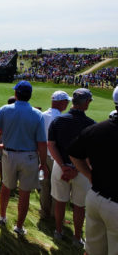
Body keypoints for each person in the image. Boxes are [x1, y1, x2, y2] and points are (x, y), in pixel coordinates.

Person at [0, 81, 48, 236]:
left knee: (6, 187)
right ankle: (19, 226)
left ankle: (2, 217)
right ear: (30, 95)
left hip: (9, 155)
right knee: (24, 193)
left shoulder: (5, 109)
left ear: (16, 94)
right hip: (30, 157)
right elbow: (42, 143)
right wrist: (43, 163)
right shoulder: (37, 114)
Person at [68, 86, 118, 255]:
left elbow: (74, 154)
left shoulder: (95, 129)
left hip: (95, 198)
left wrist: (89, 175)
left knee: (92, 250)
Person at [48, 88, 95, 246]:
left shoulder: (58, 120)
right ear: (86, 103)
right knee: (79, 205)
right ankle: (76, 237)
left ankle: (58, 232)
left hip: (60, 167)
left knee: (60, 201)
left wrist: (64, 166)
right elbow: (89, 154)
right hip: (81, 170)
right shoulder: (90, 124)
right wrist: (76, 169)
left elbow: (51, 145)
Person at [39, 91, 71, 220]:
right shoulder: (61, 119)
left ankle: (44, 212)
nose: (67, 104)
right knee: (57, 187)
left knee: (44, 184)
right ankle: (54, 215)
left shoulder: (42, 115)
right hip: (55, 157)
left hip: (42, 156)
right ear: (61, 102)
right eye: (66, 101)